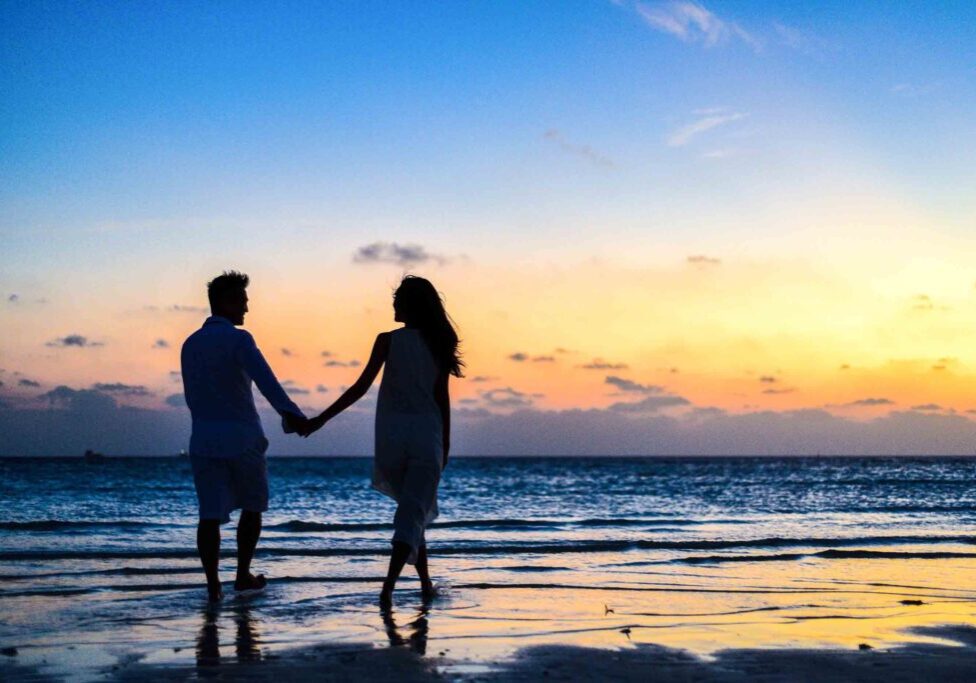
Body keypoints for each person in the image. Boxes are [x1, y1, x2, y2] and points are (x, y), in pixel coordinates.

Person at [305, 276, 462, 607]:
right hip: (426, 437)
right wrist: (445, 444)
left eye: (397, 300)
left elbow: (360, 388)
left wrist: (321, 419)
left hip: (391, 440)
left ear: (411, 305)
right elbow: (441, 398)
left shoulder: (387, 341)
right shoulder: (439, 340)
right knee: (411, 514)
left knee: (412, 512)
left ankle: (425, 585)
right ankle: (387, 590)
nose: (393, 305)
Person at [181, 270, 308, 601]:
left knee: (209, 515)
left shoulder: (190, 344)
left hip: (203, 438)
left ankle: (213, 586)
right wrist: (292, 416)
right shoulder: (240, 339)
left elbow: (192, 395)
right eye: (242, 301)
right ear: (225, 302)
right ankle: (241, 575)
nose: (246, 309)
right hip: (242, 437)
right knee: (253, 507)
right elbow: (266, 381)